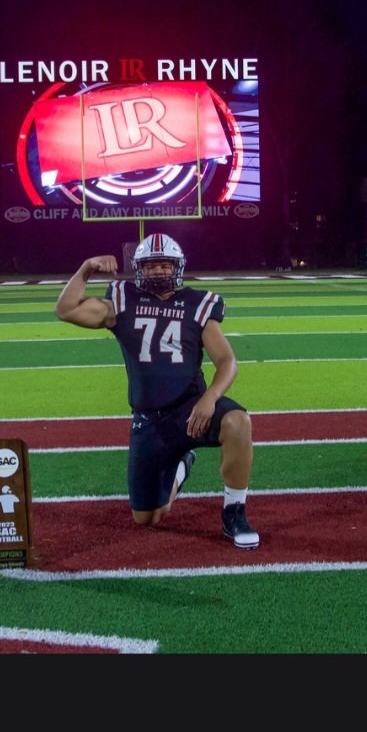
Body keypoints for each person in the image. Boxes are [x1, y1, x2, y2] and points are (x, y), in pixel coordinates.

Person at [54, 233, 259, 549]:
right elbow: (65, 310)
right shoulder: (122, 301)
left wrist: (209, 398)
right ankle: (182, 466)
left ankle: (235, 513)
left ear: (178, 267)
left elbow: (228, 361)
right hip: (149, 419)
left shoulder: (197, 304)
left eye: (165, 265)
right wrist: (85, 269)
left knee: (238, 422)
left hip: (192, 409)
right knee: (148, 518)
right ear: (139, 269)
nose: (159, 271)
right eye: (151, 266)